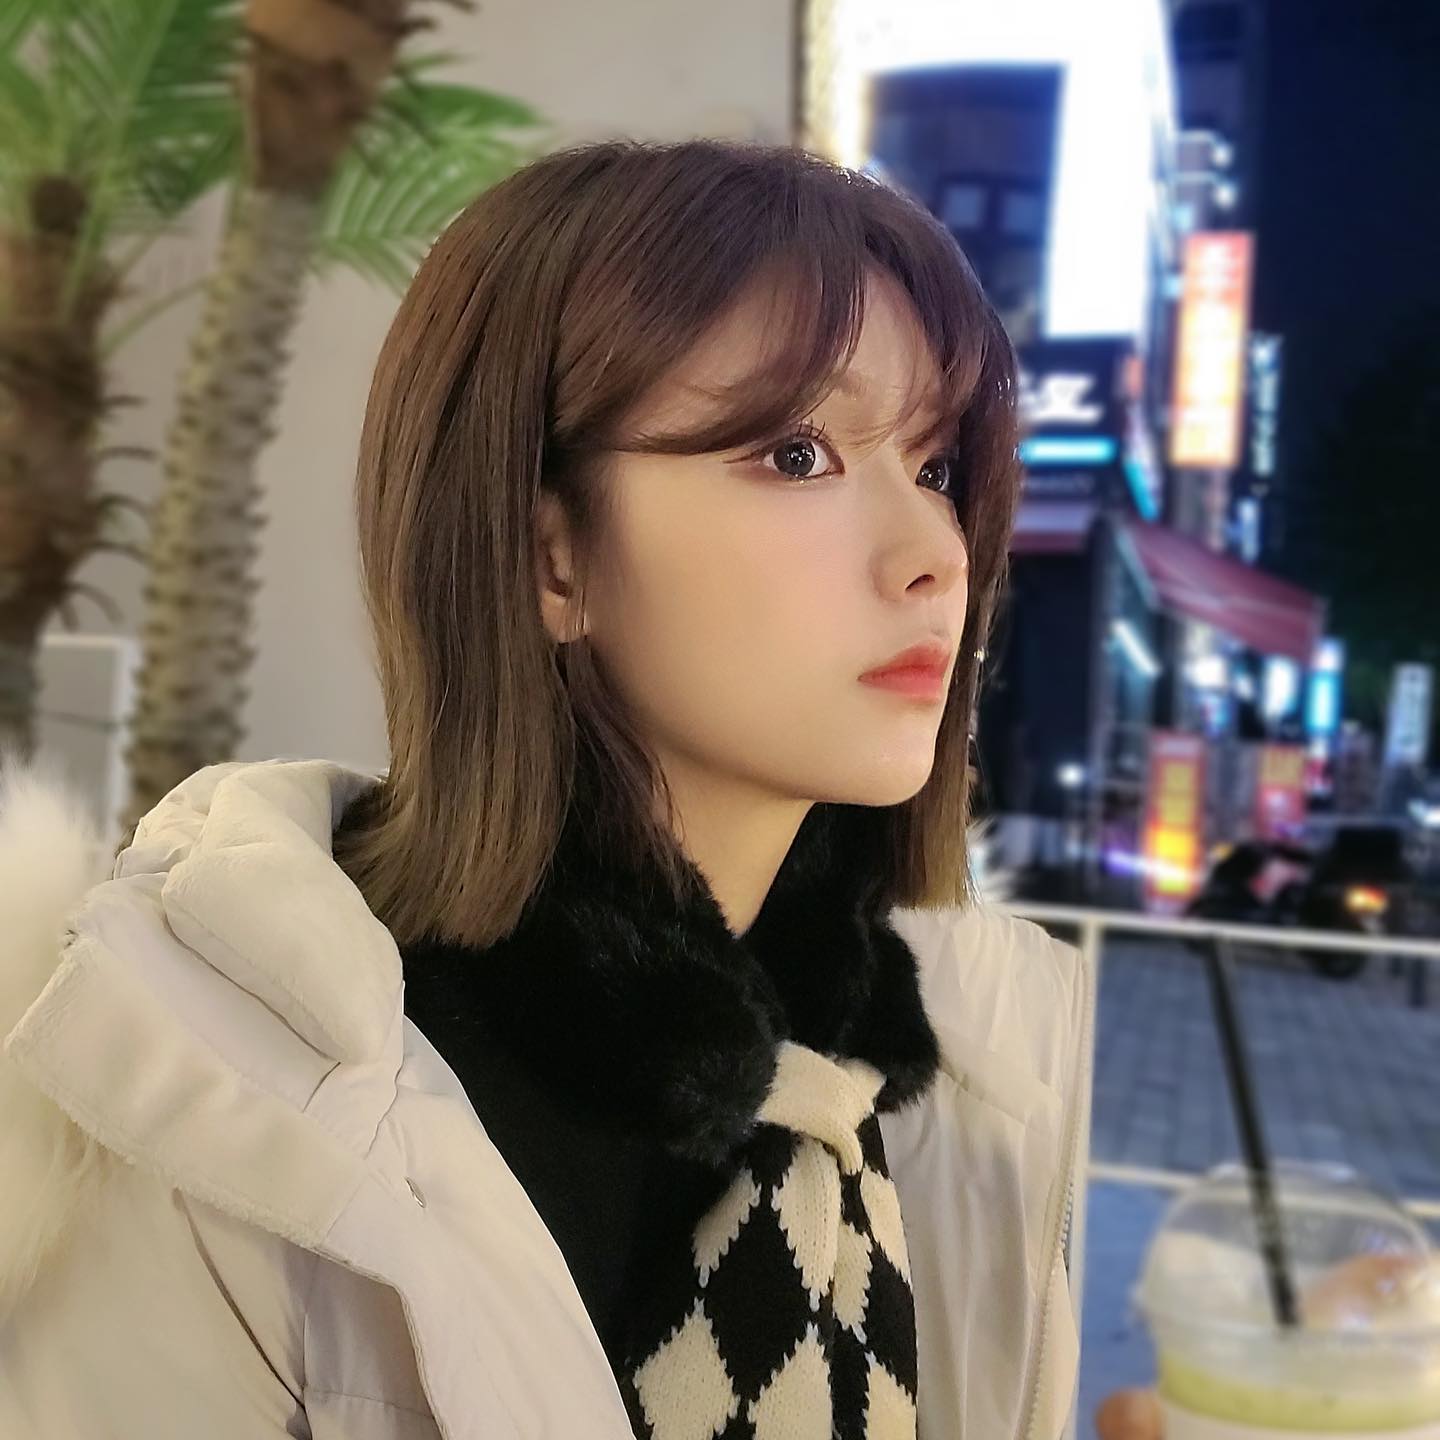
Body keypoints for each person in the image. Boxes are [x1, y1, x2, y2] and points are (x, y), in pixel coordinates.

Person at [0, 140, 1091, 1439]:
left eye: (937, 467)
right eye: (799, 454)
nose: (934, 557)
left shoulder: (956, 1069)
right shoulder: (220, 1115)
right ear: (549, 554)